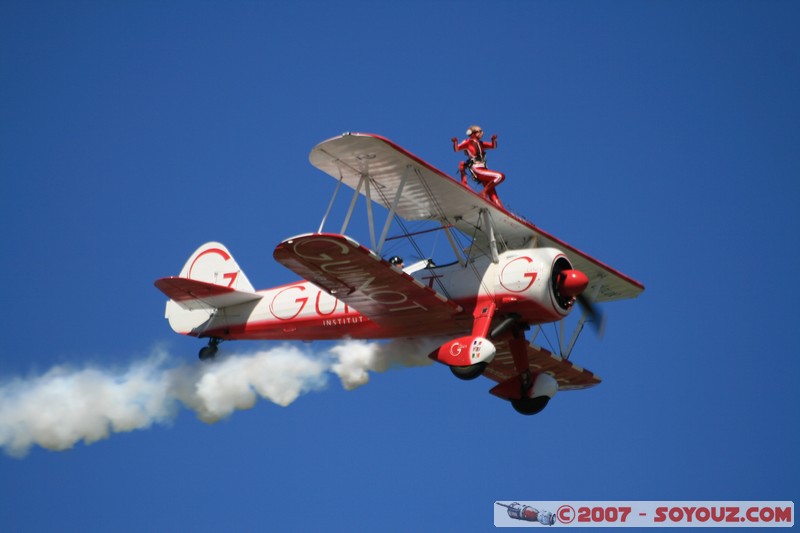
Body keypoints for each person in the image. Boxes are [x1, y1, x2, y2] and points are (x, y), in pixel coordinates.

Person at [452, 125, 505, 207]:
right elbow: (457, 149)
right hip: (477, 169)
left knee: (492, 191)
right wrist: (455, 142)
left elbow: (493, 146)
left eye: (481, 131)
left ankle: (500, 208)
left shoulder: (481, 144)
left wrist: (493, 140)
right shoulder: (468, 142)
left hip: (484, 169)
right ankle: (483, 192)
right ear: (472, 133)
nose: (482, 133)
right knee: (500, 176)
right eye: (479, 131)